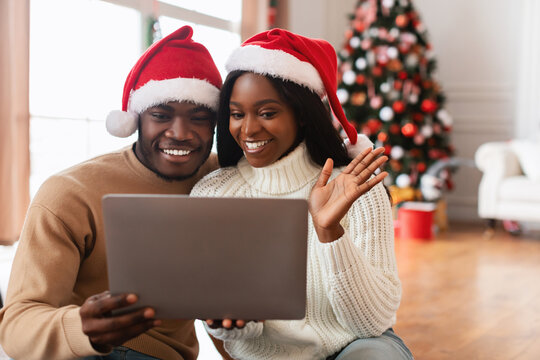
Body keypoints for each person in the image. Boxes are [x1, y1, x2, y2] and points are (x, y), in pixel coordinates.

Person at [0, 26, 230, 360]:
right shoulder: (69, 194)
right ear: (136, 119)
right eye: (161, 115)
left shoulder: (224, 181)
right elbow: (15, 327)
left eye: (198, 117)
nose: (180, 133)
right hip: (87, 353)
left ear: (215, 124)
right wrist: (82, 327)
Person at [191, 29, 414, 360]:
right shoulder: (213, 194)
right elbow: (230, 329)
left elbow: (372, 323)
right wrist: (229, 322)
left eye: (267, 113)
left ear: (304, 115)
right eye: (237, 114)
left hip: (351, 350)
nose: (248, 130)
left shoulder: (356, 191)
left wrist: (330, 232)